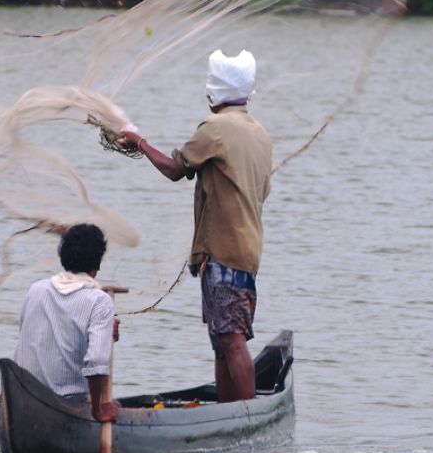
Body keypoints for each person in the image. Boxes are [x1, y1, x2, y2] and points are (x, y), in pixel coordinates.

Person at [116, 49, 272, 402]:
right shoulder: (258, 131)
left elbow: (175, 169)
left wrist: (138, 142)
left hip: (225, 252)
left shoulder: (215, 129)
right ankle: (227, 410)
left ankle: (244, 416)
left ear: (212, 91)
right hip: (247, 249)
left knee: (231, 339)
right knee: (223, 339)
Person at [13, 223, 119, 422]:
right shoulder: (99, 300)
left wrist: (105, 335)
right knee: (117, 407)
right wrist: (98, 410)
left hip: (23, 396)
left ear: (63, 257)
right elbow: (96, 362)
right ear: (98, 263)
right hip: (67, 403)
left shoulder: (36, 289)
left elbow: (31, 335)